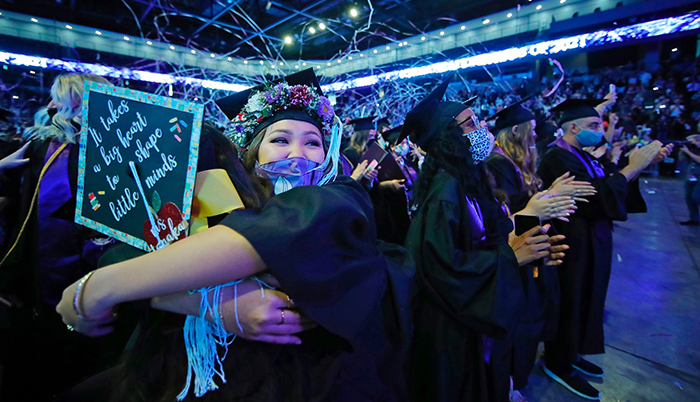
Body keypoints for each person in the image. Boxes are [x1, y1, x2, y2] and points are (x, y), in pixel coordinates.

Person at [56, 69, 412, 402]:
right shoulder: (221, 202)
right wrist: (209, 302)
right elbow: (131, 253)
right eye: (280, 139)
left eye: (313, 143)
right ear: (251, 152)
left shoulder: (340, 198)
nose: (298, 155)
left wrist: (100, 289)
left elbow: (272, 234)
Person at [401, 76, 563, 402]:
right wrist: (510, 258)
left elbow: (487, 237)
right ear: (449, 138)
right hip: (449, 330)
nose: (482, 128)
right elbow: (442, 268)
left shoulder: (463, 180)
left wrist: (531, 248)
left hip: (465, 323)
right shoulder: (444, 192)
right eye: (471, 123)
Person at [537, 98, 664, 400]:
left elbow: (609, 183)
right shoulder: (556, 157)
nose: (599, 130)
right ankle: (558, 361)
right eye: (594, 125)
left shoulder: (581, 155)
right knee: (570, 300)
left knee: (586, 298)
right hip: (571, 244)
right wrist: (633, 167)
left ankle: (572, 352)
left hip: (592, 241)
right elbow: (595, 197)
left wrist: (638, 167)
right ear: (573, 127)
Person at [485, 101, 596, 402]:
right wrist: (547, 200)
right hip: (516, 257)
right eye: (531, 129)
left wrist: (551, 194)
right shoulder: (497, 165)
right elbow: (505, 219)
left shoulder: (514, 162)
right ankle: (509, 384)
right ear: (516, 130)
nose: (535, 135)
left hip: (532, 254)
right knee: (519, 328)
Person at [679, 135, 700, 225]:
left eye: (691, 142)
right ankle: (694, 218)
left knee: (696, 197)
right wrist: (682, 151)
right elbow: (681, 159)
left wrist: (688, 151)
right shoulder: (692, 150)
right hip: (691, 176)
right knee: (689, 198)